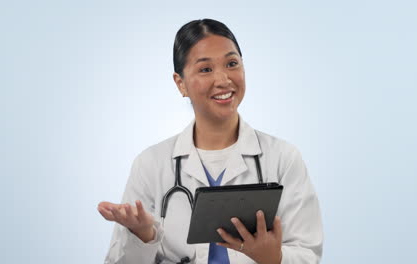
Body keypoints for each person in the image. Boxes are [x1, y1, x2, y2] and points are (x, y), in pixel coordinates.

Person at [98, 18, 323, 264]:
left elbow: (308, 253)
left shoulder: (282, 158)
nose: (224, 79)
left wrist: (275, 259)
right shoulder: (151, 165)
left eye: (232, 63)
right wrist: (141, 236)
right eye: (206, 69)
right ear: (180, 83)